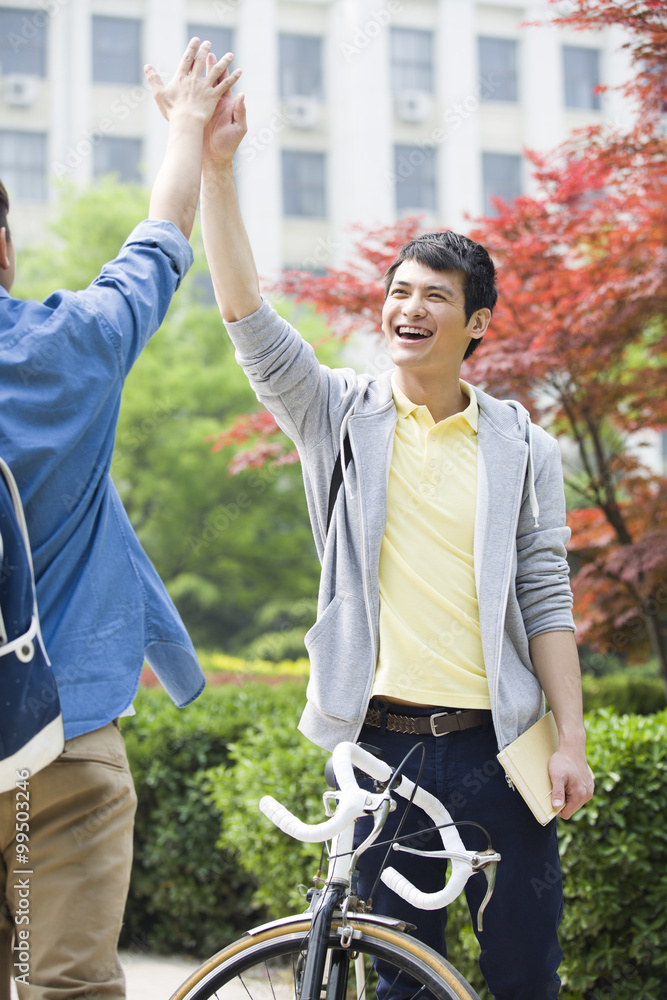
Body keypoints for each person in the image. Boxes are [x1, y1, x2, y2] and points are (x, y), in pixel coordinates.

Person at [186, 64, 594, 1000]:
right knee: (404, 983)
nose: (406, 310)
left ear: (476, 322)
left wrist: (567, 741)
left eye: (433, 298)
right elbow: (247, 317)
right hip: (382, 750)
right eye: (399, 291)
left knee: (526, 974)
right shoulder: (336, 415)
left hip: (503, 745)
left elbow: (545, 600)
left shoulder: (523, 446)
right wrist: (216, 169)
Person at [0, 39, 241, 1000]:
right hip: (64, 740)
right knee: (65, 987)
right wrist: (187, 125)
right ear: (6, 248)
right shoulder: (77, 347)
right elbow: (162, 235)